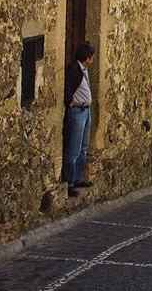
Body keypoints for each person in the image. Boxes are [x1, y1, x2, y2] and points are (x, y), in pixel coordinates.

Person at [65, 42, 95, 197]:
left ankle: (78, 178)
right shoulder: (75, 70)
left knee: (83, 147)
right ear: (87, 57)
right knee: (74, 149)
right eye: (91, 58)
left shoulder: (84, 70)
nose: (93, 61)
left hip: (86, 110)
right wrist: (71, 102)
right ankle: (70, 182)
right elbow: (69, 88)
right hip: (77, 111)